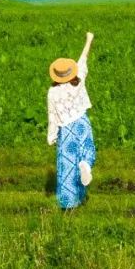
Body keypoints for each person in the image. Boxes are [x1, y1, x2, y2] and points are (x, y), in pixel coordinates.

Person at [47, 32, 97, 210]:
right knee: (87, 151)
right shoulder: (78, 81)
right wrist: (88, 40)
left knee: (67, 164)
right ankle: (86, 164)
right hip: (82, 123)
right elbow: (82, 61)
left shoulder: (53, 93)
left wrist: (51, 136)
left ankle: (69, 203)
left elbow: (53, 116)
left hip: (66, 130)